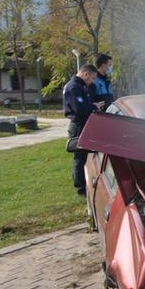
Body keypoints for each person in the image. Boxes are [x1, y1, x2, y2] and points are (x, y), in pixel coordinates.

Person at [63, 64, 102, 196]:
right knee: (79, 157)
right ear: (85, 74)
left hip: (84, 123)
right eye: (91, 78)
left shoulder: (80, 86)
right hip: (78, 125)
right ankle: (80, 188)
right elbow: (79, 109)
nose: (91, 81)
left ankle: (86, 183)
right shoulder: (74, 87)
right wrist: (93, 106)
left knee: (86, 155)